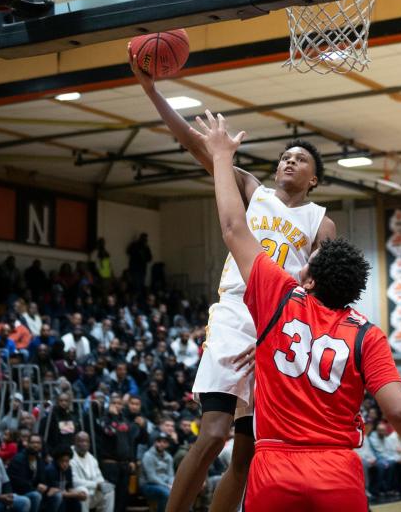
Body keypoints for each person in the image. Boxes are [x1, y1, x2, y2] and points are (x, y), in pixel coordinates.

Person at [197, 110, 401, 511]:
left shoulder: (277, 308)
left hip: (276, 467)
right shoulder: (366, 333)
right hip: (336, 470)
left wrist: (219, 156)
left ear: (310, 278)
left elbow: (233, 228)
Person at [133, 62, 337, 512]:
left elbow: (321, 280)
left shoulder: (321, 221)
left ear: (314, 179)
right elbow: (192, 141)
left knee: (246, 453)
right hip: (235, 316)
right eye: (286, 155)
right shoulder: (251, 189)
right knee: (212, 434)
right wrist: (152, 92)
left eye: (300, 159)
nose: (289, 160)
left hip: (279, 327)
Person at [7, 435, 59, 512]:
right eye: (33, 442)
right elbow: (19, 483)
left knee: (57, 495)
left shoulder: (39, 460)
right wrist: (37, 488)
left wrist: (48, 488)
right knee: (36, 495)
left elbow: (43, 480)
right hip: (18, 493)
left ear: (41, 445)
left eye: (38, 443)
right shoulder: (18, 459)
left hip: (33, 490)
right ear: (27, 444)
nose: (35, 445)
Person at [69, 433, 113, 512]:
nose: (84, 444)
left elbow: (99, 477)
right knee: (82, 490)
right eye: (81, 441)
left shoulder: (92, 458)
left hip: (92, 493)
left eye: (87, 441)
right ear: (75, 442)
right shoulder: (69, 456)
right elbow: (74, 481)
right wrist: (96, 485)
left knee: (109, 489)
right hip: (76, 493)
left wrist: (102, 484)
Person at [139, 435, 173, 512]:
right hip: (148, 485)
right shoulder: (148, 455)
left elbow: (171, 475)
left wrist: (172, 484)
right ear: (155, 443)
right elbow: (151, 477)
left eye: (164, 442)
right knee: (167, 494)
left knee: (183, 492)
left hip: (165, 485)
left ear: (167, 444)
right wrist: (167, 486)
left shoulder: (169, 457)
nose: (161, 444)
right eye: (159, 441)